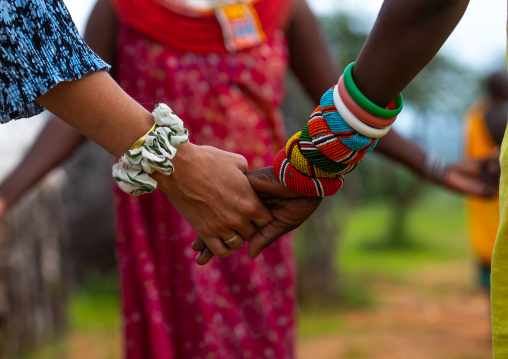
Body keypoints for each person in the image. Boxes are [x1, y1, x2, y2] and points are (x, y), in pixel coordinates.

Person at [1, 1, 499, 358]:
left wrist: (434, 166)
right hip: (166, 212)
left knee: (256, 336)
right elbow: (69, 100)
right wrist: (7, 195)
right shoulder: (123, 9)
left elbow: (345, 97)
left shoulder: (282, 9)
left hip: (264, 205)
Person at [464, 70, 508, 293]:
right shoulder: (488, 115)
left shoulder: (476, 114)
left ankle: (493, 320)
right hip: (493, 190)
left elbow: (469, 155)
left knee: (488, 251)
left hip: (482, 190)